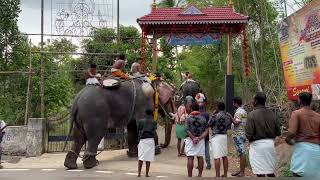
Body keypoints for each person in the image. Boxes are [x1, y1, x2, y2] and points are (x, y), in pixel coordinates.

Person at [246, 92, 281, 177]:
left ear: (256, 101)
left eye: (253, 99)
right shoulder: (272, 114)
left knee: (260, 172)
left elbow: (248, 134)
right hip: (270, 145)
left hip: (257, 146)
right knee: (270, 171)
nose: (252, 101)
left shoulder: (251, 115)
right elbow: (278, 132)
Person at [285, 92, 320, 178]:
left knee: (298, 174)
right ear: (310, 101)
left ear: (299, 101)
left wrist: (287, 139)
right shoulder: (318, 116)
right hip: (316, 150)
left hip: (302, 149)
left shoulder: (296, 113)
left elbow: (292, 132)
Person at [185, 103, 209, 177]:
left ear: (191, 109)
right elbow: (206, 130)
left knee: (190, 157)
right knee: (200, 157)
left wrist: (193, 138)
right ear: (199, 109)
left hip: (190, 139)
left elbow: (187, 129)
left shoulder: (188, 118)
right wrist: (199, 138)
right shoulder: (203, 118)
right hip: (200, 140)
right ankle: (200, 175)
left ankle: (190, 176)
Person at [208, 102, 232, 177]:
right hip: (224, 136)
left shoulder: (215, 116)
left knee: (216, 156)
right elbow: (229, 126)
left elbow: (208, 124)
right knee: (224, 156)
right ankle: (225, 174)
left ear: (217, 107)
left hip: (216, 137)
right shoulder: (227, 116)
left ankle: (217, 175)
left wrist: (212, 115)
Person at [137, 109, 157, 177]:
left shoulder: (141, 121)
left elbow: (139, 129)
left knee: (141, 157)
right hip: (150, 140)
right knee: (148, 158)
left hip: (143, 140)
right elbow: (154, 131)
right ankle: (146, 174)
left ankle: (139, 173)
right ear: (152, 114)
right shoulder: (154, 122)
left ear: (145, 114)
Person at [231, 97, 247, 177]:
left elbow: (236, 123)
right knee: (241, 153)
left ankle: (242, 172)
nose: (233, 104)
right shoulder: (243, 111)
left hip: (238, 134)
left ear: (236, 103)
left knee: (242, 153)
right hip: (242, 134)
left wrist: (230, 117)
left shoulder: (238, 112)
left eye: (233, 103)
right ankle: (241, 170)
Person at [199, 102, 211, 170]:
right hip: (206, 134)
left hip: (200, 134)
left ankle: (200, 164)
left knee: (200, 150)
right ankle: (208, 164)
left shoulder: (199, 114)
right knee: (207, 149)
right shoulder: (207, 114)